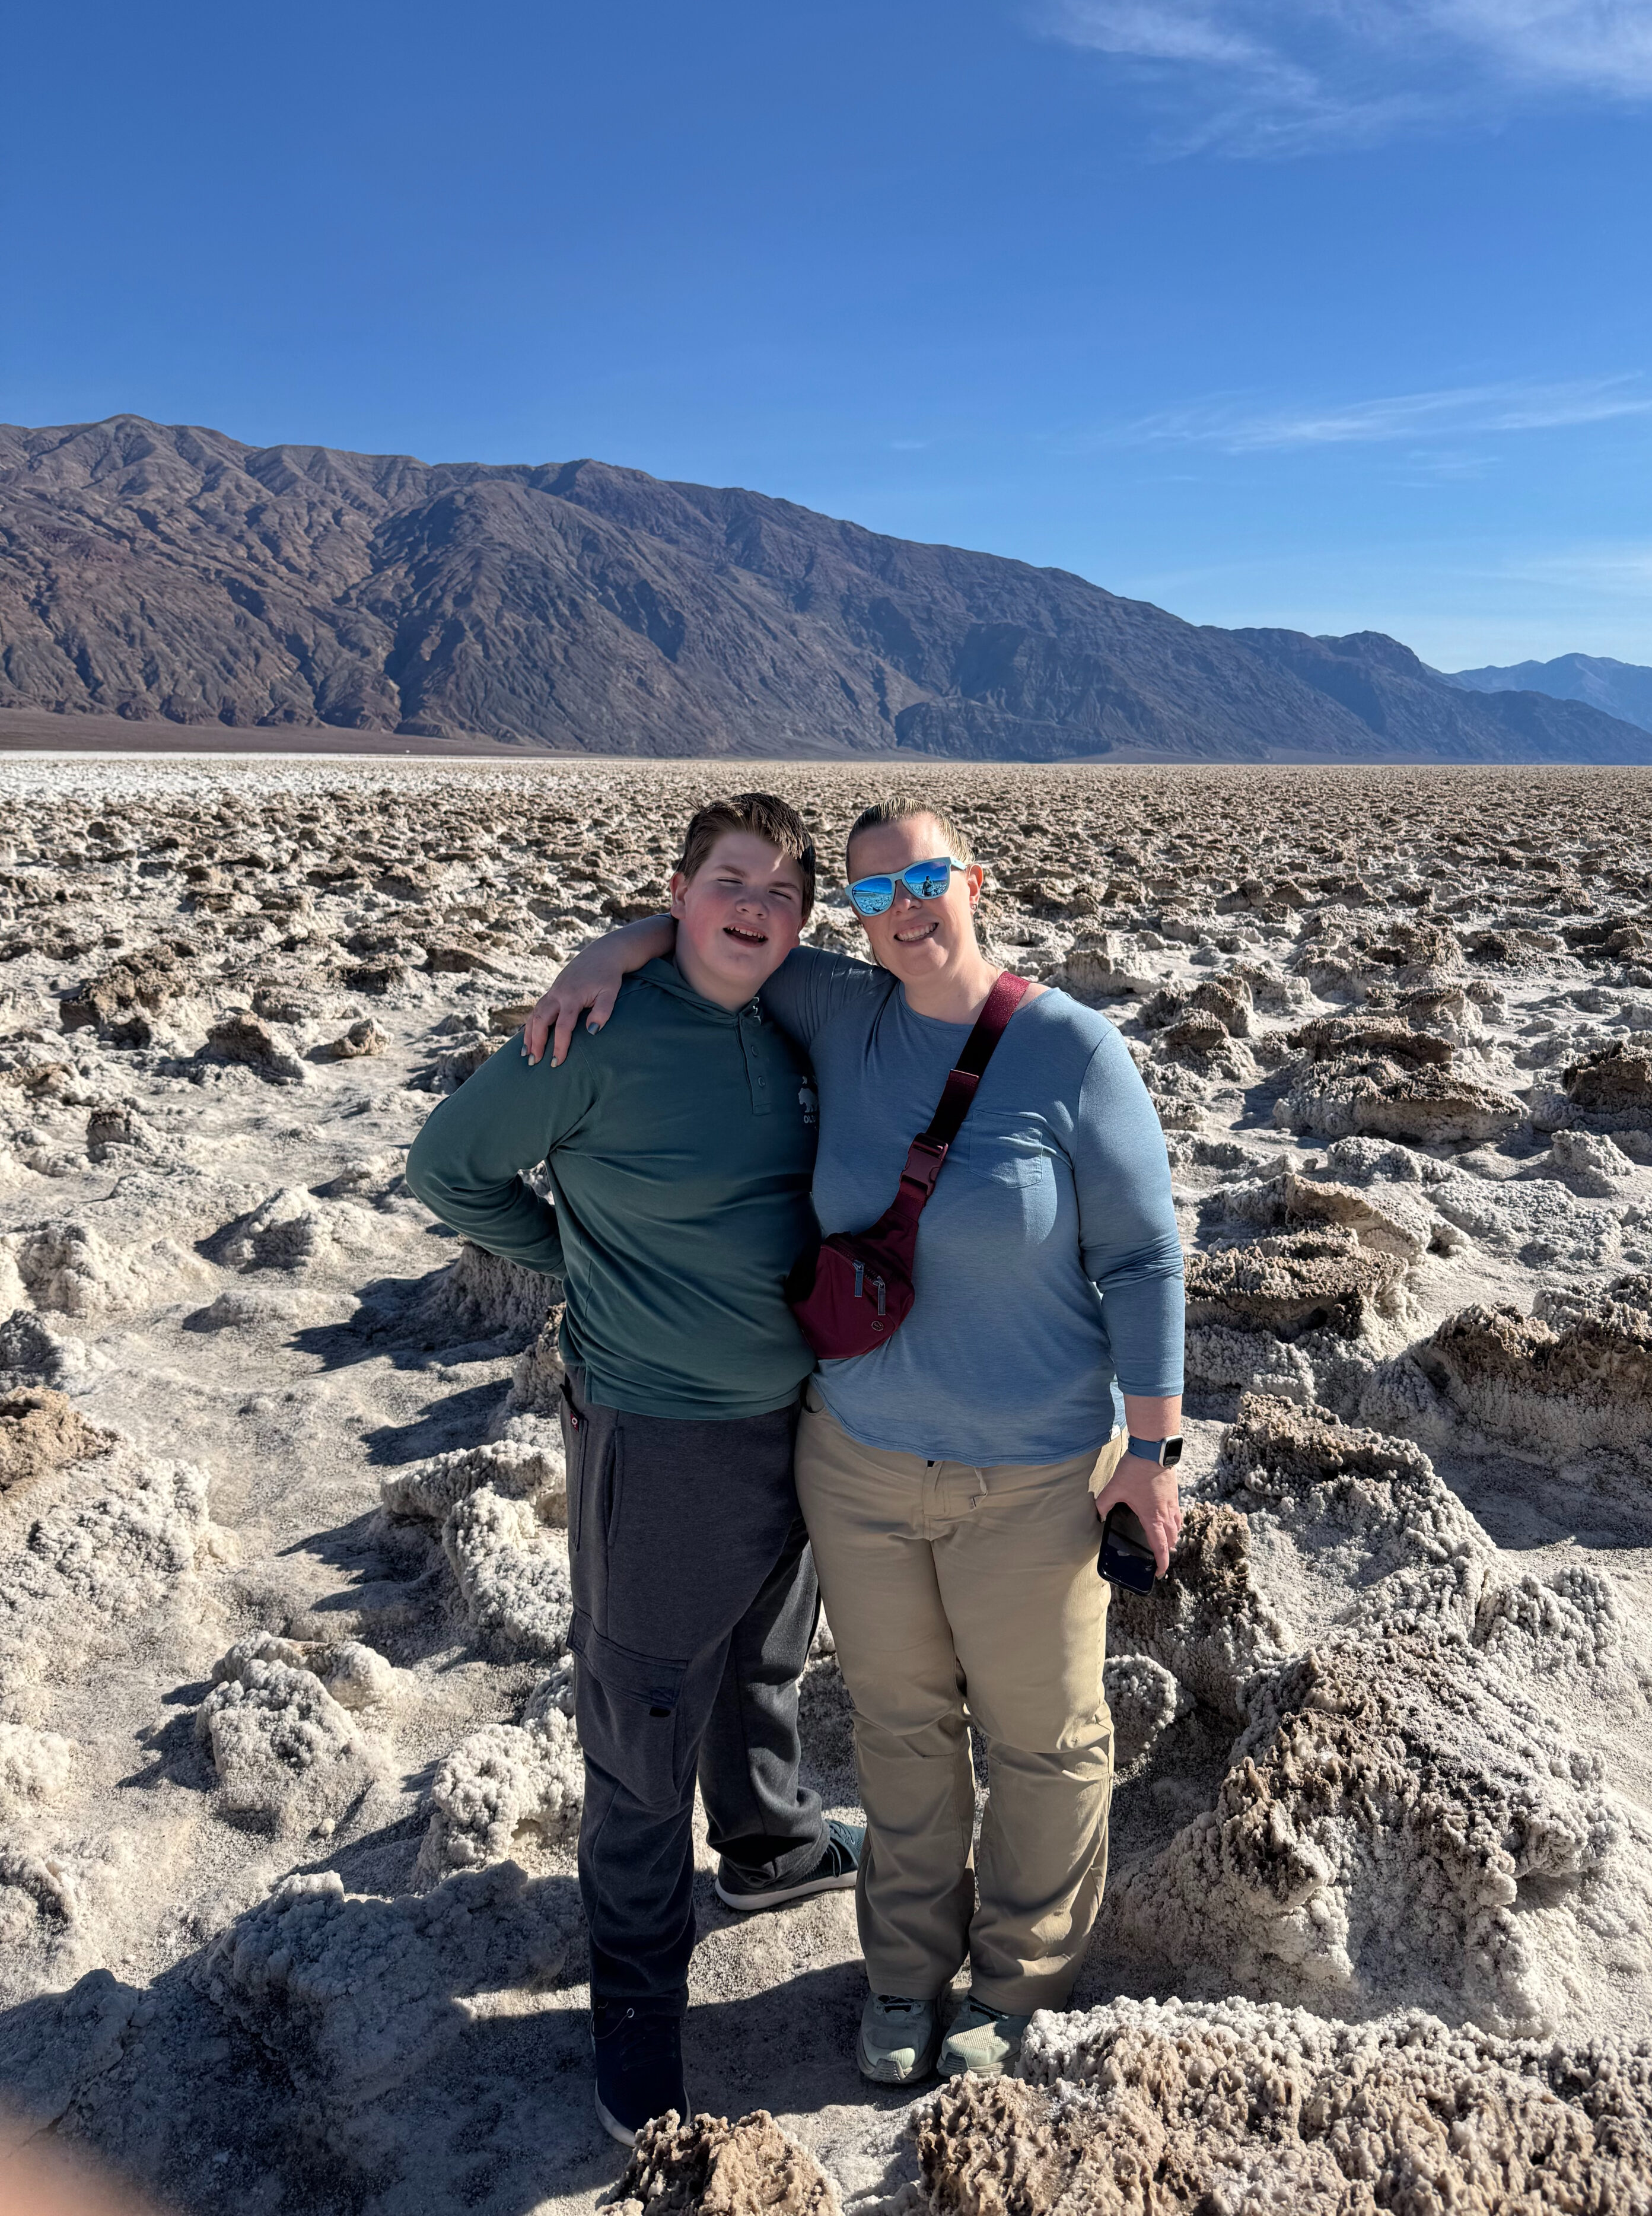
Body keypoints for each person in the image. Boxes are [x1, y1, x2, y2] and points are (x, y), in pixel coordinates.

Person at [523, 794, 1185, 2088]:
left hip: (1034, 1472)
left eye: (923, 879)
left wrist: (1151, 1454)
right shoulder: (839, 1007)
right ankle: (903, 1972)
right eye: (874, 893)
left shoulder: (1072, 1049)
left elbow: (1148, 1253)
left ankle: (1015, 1979)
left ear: (972, 879)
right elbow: (725, 930)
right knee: (898, 1725)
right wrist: (614, 943)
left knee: (1044, 1735)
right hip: (861, 1462)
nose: (904, 908)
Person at [406, 793, 862, 2147]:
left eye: (783, 893)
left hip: (800, 1414)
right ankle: (637, 2000)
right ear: (680, 888)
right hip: (658, 1429)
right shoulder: (594, 1029)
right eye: (729, 883)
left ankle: (771, 1841)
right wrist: (581, 1258)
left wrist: (642, 930)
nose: (756, 910)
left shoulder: (796, 1011)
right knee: (644, 1719)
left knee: (768, 1655)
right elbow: (449, 1169)